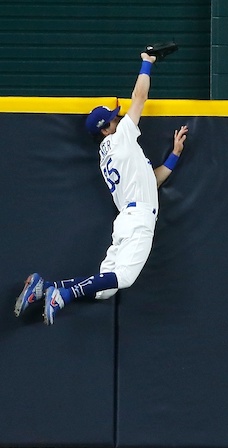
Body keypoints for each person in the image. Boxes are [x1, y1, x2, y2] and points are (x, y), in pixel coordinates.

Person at [15, 51, 188, 325]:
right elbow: (139, 97)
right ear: (106, 129)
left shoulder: (106, 154)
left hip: (127, 219)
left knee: (106, 290)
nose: (118, 119)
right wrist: (148, 62)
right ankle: (64, 294)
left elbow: (150, 183)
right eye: (113, 119)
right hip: (138, 218)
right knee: (125, 278)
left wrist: (174, 155)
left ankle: (46, 287)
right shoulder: (121, 138)